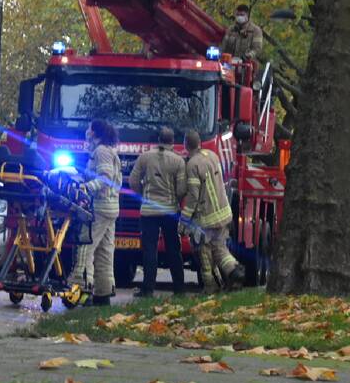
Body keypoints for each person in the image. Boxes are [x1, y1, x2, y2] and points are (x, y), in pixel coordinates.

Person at [180, 129, 245, 293]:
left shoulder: (192, 165)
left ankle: (210, 287)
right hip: (224, 214)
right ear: (200, 142)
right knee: (220, 248)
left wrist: (184, 220)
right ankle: (234, 270)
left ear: (185, 145)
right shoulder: (212, 155)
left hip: (206, 218)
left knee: (204, 254)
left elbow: (193, 196)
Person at [67, 118, 121, 306]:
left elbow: (105, 178)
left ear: (95, 132)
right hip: (110, 208)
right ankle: (103, 294)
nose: (87, 132)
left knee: (86, 247)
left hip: (99, 207)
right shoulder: (108, 150)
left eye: (89, 129)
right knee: (105, 251)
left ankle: (81, 290)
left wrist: (86, 188)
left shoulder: (101, 151)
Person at [129, 126, 187, 298]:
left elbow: (133, 181)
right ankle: (179, 289)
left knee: (149, 249)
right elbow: (181, 189)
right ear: (172, 141)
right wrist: (175, 199)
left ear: (158, 140)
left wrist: (143, 195)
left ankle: (148, 289)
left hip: (148, 211)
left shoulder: (145, 157)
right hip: (170, 211)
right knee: (173, 249)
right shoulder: (178, 161)